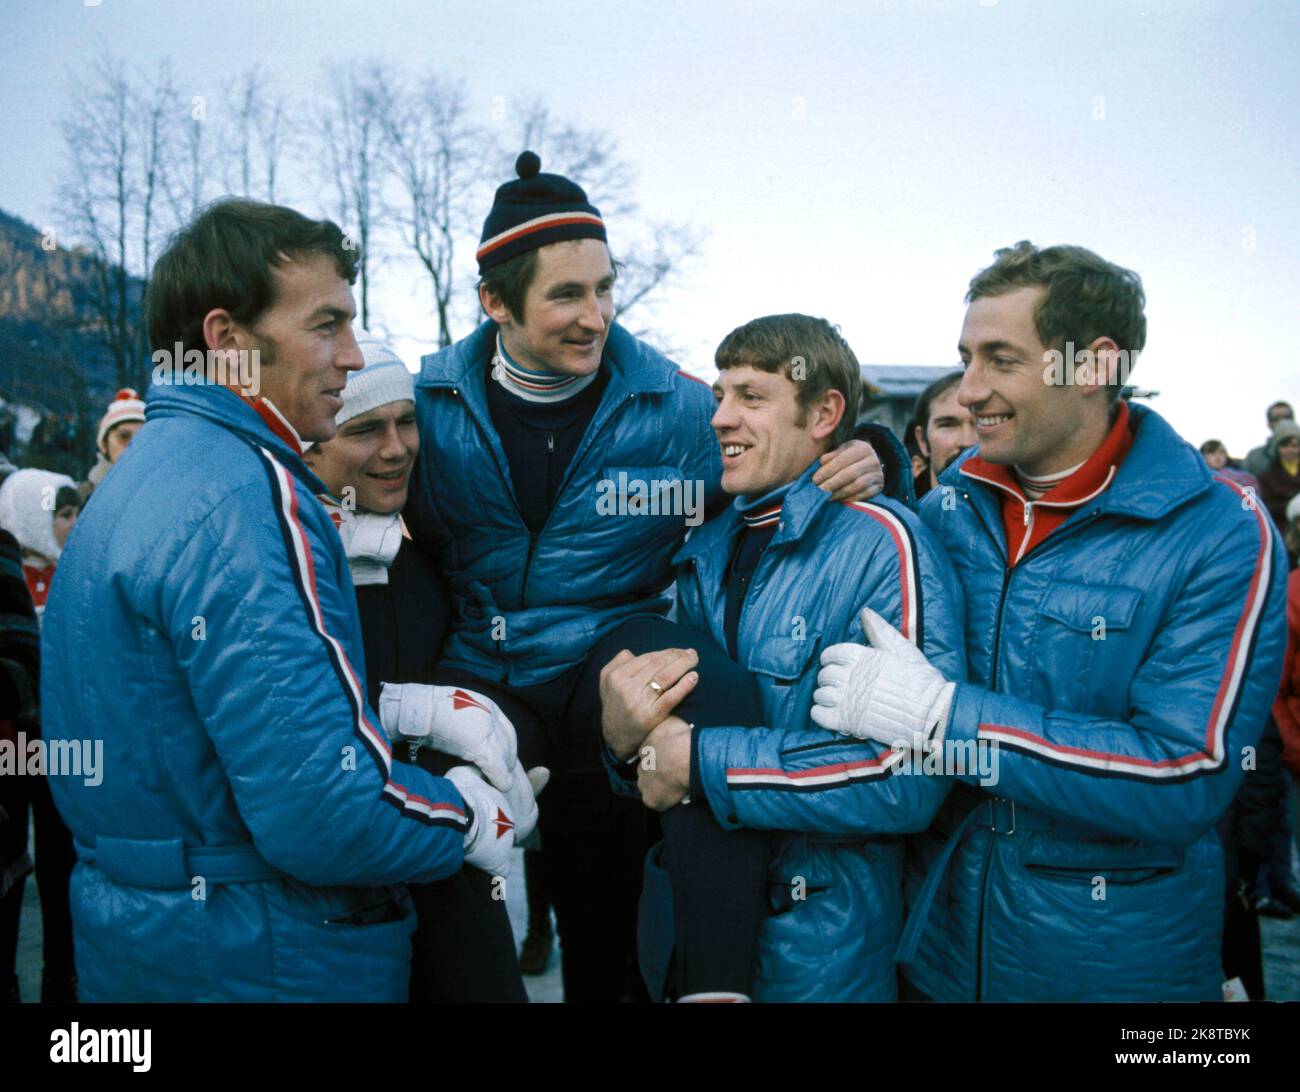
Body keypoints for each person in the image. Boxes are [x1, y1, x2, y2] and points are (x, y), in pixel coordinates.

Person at [406, 153, 891, 1001]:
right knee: (458, 856)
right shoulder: (431, 402)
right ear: (495, 302)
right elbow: (348, 472)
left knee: (617, 896)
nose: (596, 316)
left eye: (605, 288)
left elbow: (787, 440)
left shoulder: (673, 404)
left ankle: (714, 987)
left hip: (609, 664)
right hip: (487, 667)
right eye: (566, 295)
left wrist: (877, 452)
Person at [40, 198, 540, 1002]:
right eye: (326, 325)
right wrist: (471, 817)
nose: (350, 355)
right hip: (267, 955)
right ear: (228, 340)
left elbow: (196, 731)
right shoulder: (251, 490)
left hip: (148, 936)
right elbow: (324, 810)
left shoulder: (135, 484)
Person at [812, 241, 1288, 1001]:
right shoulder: (948, 508)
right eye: (965, 357)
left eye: (1000, 359)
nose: (968, 391)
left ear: (1094, 365)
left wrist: (946, 720)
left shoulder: (1220, 532)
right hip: (934, 953)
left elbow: (1182, 775)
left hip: (1108, 971)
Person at [598, 314, 964, 1001]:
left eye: (751, 397)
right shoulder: (702, 549)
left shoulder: (883, 543)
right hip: (696, 932)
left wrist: (706, 764)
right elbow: (664, 752)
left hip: (819, 952)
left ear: (825, 412)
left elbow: (910, 778)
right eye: (719, 396)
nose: (721, 419)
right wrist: (622, 750)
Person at [303, 333, 538, 1002]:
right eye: (365, 429)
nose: (396, 447)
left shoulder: (424, 557)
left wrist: (502, 757)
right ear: (313, 439)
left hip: (452, 879)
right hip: (338, 899)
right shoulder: (285, 566)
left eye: (406, 422)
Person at [0, 469, 80, 1002]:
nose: (72, 525)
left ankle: (63, 980)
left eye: (76, 513)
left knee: (63, 859)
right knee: (12, 862)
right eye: (61, 514)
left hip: (67, 739)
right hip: (14, 741)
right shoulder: (10, 578)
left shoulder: (80, 572)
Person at [911, 370, 976, 498]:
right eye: (948, 425)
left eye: (980, 423)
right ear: (922, 441)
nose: (967, 442)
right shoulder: (893, 515)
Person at [85, 388, 146, 487]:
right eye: (124, 436)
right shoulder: (82, 498)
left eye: (142, 436)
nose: (134, 445)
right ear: (104, 445)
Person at [1259, 418, 1300, 535]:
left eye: (1294, 445)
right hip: (1283, 531)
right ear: (1277, 448)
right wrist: (1290, 506)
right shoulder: (1267, 477)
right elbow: (1266, 507)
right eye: (1285, 446)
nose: (1290, 450)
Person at [1244, 400, 1294, 477]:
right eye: (1276, 419)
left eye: (1286, 418)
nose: (1282, 422)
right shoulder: (1254, 458)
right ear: (1269, 424)